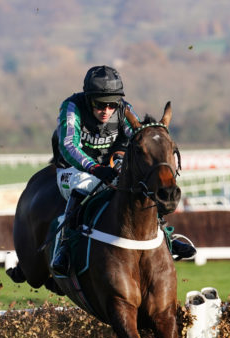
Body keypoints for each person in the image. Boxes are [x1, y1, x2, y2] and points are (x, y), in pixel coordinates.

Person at [50, 65, 196, 274]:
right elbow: (68, 145)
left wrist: (120, 159)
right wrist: (94, 167)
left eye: (112, 105)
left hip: (107, 166)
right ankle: (63, 246)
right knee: (87, 184)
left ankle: (166, 236)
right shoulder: (72, 107)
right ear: (88, 98)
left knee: (140, 186)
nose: (107, 111)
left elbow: (135, 136)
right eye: (100, 105)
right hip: (72, 170)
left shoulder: (123, 108)